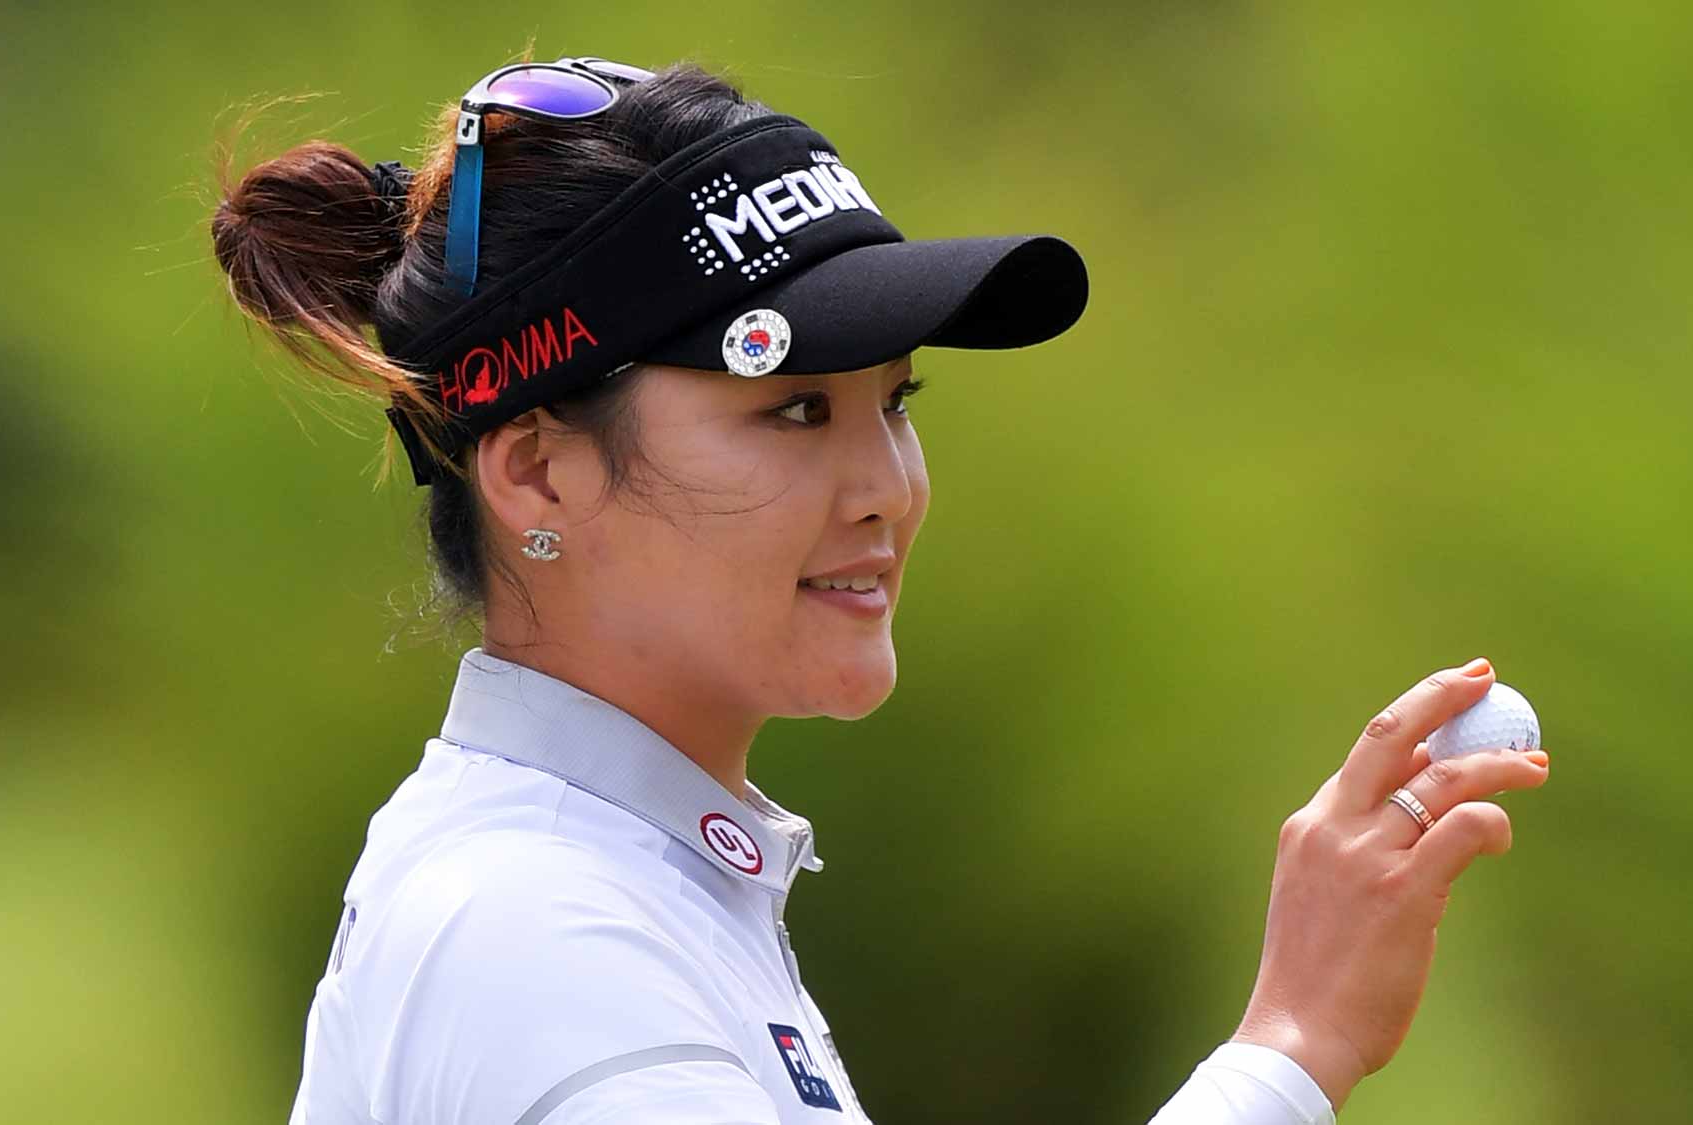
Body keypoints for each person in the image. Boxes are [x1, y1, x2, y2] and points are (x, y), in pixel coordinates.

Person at [210, 54, 1551, 1125]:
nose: (887, 486)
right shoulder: (541, 929)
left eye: (893, 402)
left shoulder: (616, 879)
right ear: (537, 471)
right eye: (796, 409)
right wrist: (1292, 1046)